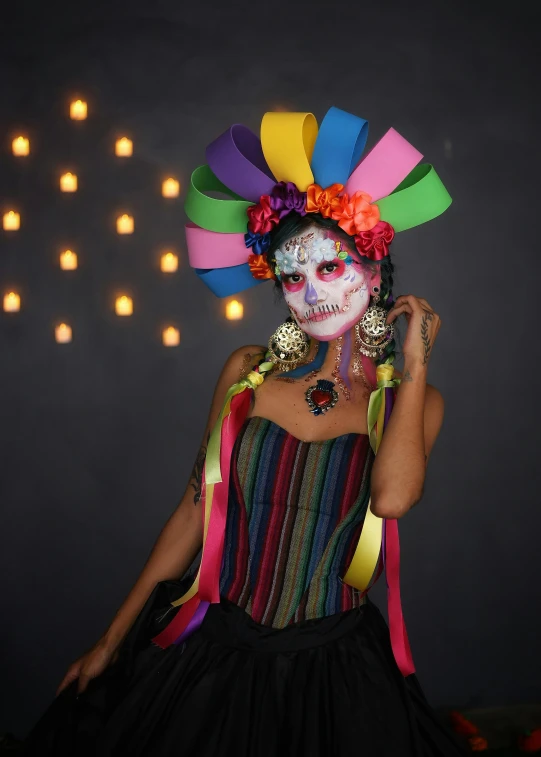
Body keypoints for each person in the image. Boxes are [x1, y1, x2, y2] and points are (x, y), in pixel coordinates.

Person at [24, 106, 469, 755]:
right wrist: (109, 640)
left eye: (329, 268)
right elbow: (192, 513)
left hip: (334, 666)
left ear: (371, 274)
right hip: (213, 648)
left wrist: (416, 359)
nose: (311, 292)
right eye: (292, 275)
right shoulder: (247, 374)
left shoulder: (412, 401)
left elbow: (393, 499)